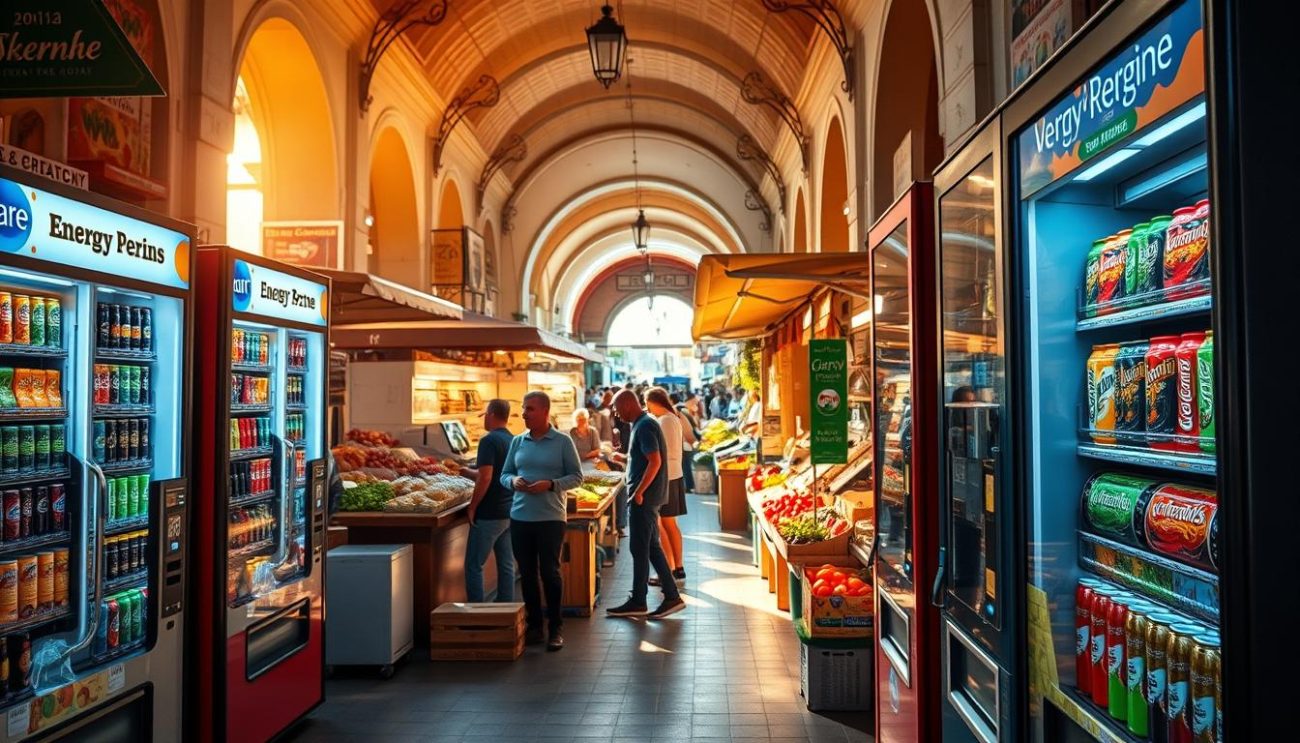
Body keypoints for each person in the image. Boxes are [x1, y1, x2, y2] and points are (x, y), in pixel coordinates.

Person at [499, 391, 584, 651]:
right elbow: (504, 474)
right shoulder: (517, 441)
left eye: (530, 409)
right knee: (526, 574)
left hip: (550, 517)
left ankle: (556, 627)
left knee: (550, 572)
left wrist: (551, 485)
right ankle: (535, 626)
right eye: (524, 408)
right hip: (520, 517)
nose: (524, 413)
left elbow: (577, 477)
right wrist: (512, 482)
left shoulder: (562, 441)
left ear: (545, 412)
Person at [606, 390, 685, 619]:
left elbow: (655, 461)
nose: (615, 413)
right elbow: (646, 458)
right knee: (650, 547)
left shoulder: (645, 425)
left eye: (616, 408)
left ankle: (639, 600)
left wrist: (639, 492)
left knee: (640, 548)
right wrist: (625, 459)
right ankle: (670, 596)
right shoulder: (644, 424)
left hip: (645, 498)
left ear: (628, 405)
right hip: (647, 497)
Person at [461, 399, 515, 603]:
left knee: (474, 566)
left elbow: (485, 477)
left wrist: (473, 507)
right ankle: (505, 610)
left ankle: (478, 615)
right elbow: (497, 473)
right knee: (506, 564)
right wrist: (468, 471)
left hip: (490, 513)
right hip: (509, 510)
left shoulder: (488, 440)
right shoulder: (513, 440)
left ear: (491, 414)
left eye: (485, 414)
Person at [646, 388, 687, 588]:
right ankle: (677, 568)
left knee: (662, 525)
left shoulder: (665, 421)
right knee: (670, 524)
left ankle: (668, 570)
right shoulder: (672, 418)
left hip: (666, 478)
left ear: (653, 402)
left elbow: (662, 453)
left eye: (647, 404)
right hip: (673, 475)